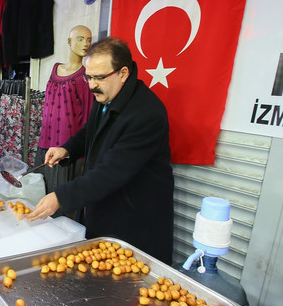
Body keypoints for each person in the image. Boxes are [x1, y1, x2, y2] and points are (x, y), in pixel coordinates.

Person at [27, 37, 175, 264]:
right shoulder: (106, 94)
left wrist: (61, 197)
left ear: (123, 73)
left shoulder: (146, 114)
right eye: (88, 76)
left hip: (134, 217)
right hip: (104, 206)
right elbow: (91, 131)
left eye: (98, 77)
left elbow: (112, 172)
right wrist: (67, 149)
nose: (91, 85)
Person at [35, 25, 94, 194]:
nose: (85, 44)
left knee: (58, 199)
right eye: (80, 39)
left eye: (89, 40)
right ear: (69, 41)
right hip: (45, 141)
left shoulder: (85, 77)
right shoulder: (55, 69)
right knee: (39, 192)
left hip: (64, 147)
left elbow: (87, 118)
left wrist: (80, 154)